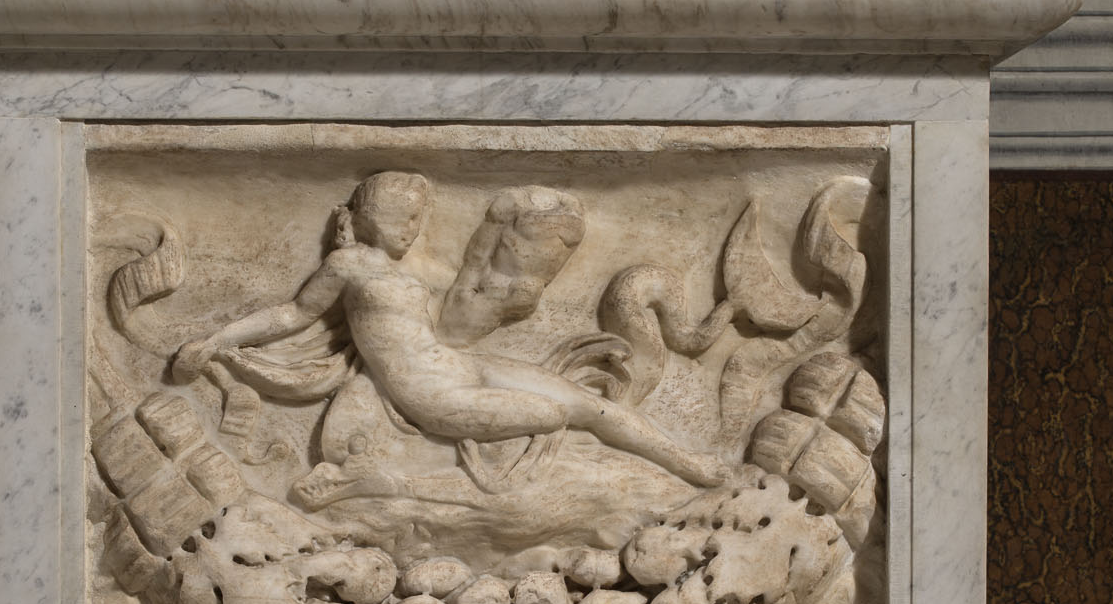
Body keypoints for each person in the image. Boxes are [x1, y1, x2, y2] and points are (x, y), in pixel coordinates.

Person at [172, 171, 729, 493]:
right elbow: (292, 314)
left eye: (416, 218)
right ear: (363, 218)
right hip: (427, 395)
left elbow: (469, 303)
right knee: (550, 414)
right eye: (398, 216)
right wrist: (219, 340)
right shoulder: (348, 266)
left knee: (589, 405)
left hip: (458, 366)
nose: (410, 228)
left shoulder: (410, 275)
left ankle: (688, 463)